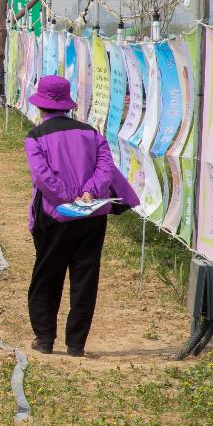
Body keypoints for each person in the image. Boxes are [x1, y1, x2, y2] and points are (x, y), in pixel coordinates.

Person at [24, 76, 137, 356]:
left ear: (41, 106)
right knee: (85, 278)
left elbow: (42, 177)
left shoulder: (35, 137)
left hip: (54, 217)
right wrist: (88, 193)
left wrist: (67, 197)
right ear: (67, 105)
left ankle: (45, 338)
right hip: (91, 215)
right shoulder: (91, 133)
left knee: (47, 277)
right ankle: (76, 344)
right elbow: (105, 167)